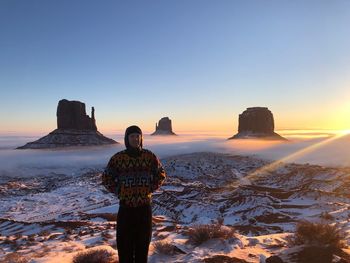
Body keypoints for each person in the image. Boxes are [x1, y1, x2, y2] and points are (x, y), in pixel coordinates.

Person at [102, 125, 166, 263]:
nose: (135, 139)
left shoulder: (149, 156)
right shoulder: (118, 158)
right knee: (125, 247)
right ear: (127, 138)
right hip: (126, 209)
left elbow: (161, 174)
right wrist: (120, 191)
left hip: (144, 209)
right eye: (132, 136)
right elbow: (106, 178)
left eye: (138, 136)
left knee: (142, 247)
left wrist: (150, 188)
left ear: (141, 138)